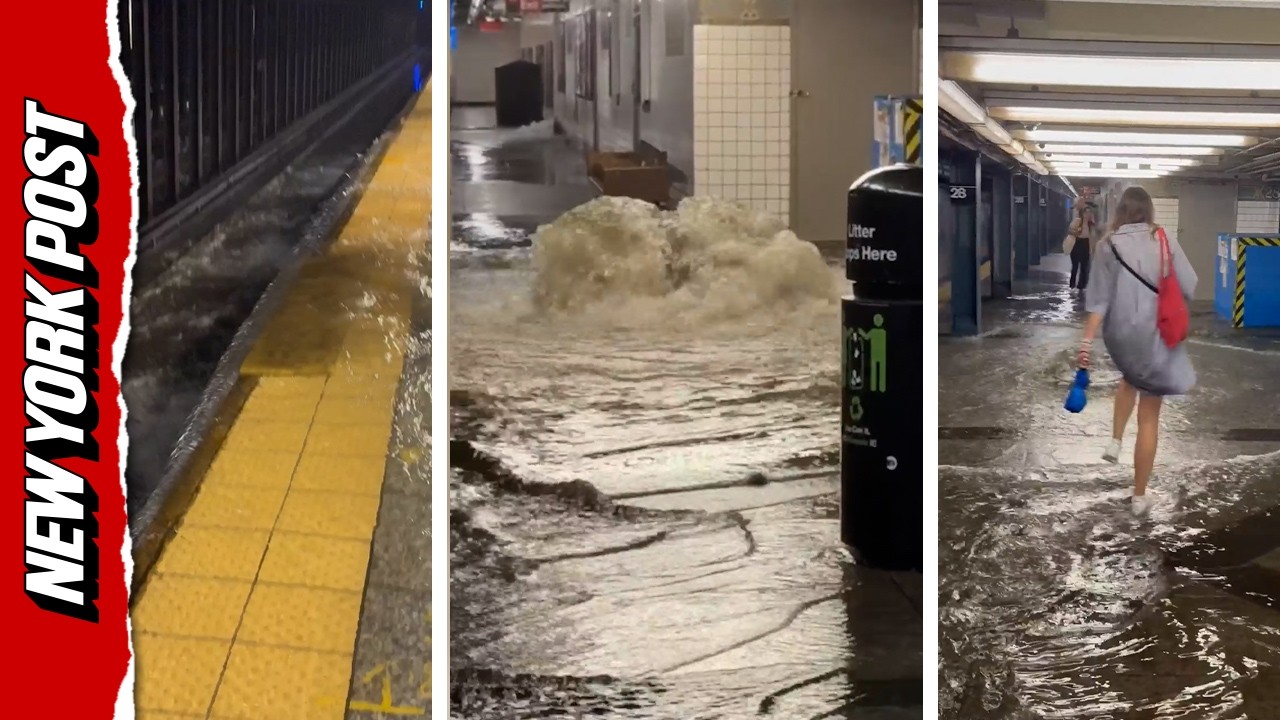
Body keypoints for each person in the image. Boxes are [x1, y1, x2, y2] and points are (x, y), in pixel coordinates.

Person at [1075, 186, 1197, 517]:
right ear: (1149, 210)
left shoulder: (1106, 245)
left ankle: (1115, 440)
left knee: (1130, 377)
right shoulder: (1164, 239)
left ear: (1120, 211)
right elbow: (1190, 283)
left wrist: (1086, 342)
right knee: (1150, 415)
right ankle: (1140, 496)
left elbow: (1098, 300)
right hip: (1155, 334)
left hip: (1120, 335)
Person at [1068, 201, 1094, 291]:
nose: (1088, 214)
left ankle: (1081, 284)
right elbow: (1070, 230)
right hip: (1078, 242)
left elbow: (1091, 235)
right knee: (1075, 265)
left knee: (1084, 265)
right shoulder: (1077, 220)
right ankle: (1073, 283)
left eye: (1089, 212)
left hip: (1085, 243)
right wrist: (1076, 232)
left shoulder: (1090, 223)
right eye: (1087, 212)